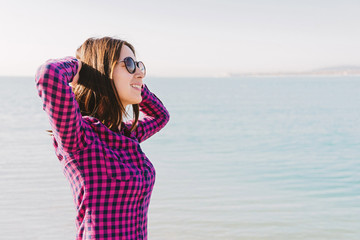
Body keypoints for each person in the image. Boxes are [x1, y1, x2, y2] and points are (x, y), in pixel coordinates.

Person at [35, 36, 170, 240]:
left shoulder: (126, 136)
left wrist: (135, 82)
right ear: (102, 71)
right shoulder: (80, 137)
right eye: (130, 65)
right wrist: (83, 70)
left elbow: (161, 116)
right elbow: (49, 75)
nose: (140, 72)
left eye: (140, 65)